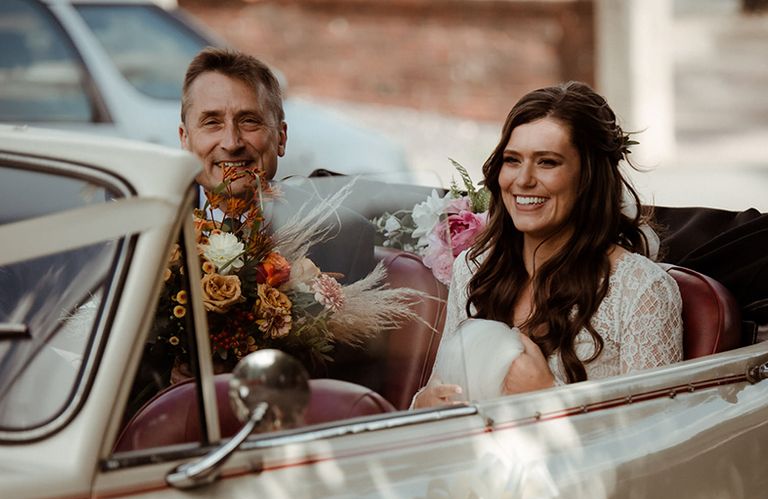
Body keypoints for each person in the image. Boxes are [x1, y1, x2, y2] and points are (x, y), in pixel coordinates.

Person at [413, 81, 683, 409]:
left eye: (547, 162)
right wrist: (425, 404)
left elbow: (660, 435)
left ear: (588, 177)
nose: (523, 179)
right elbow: (442, 385)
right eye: (512, 160)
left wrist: (547, 398)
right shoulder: (473, 267)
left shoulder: (642, 291)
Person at [179, 47, 376, 282]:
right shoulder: (148, 224)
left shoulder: (342, 236)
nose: (231, 143)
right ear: (185, 139)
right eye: (212, 122)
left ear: (281, 138)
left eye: (249, 121)